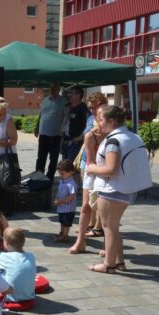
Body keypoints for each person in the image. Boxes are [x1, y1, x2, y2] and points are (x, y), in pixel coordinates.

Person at [86, 105, 152, 274]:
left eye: (101, 120)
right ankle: (119, 262)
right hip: (127, 189)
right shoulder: (133, 137)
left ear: (112, 121)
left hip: (112, 189)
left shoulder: (113, 141)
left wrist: (92, 168)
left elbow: (111, 169)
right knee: (113, 227)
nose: (98, 124)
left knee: (109, 227)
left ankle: (108, 265)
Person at [70, 98, 108, 254]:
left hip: (106, 173)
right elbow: (91, 160)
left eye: (101, 116)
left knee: (106, 210)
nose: (97, 117)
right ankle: (80, 242)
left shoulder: (113, 133)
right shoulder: (91, 135)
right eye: (96, 115)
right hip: (94, 169)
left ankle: (107, 244)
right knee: (85, 206)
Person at [0, 227, 36, 302]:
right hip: (29, 296)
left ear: (6, 243)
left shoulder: (4, 256)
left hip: (10, 298)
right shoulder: (31, 256)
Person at [35, 83, 68, 182]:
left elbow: (66, 117)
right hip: (43, 134)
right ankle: (38, 176)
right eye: (51, 89)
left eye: (55, 89)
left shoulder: (63, 101)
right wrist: (37, 128)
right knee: (41, 157)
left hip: (55, 135)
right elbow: (41, 115)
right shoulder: (45, 100)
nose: (52, 90)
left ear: (58, 89)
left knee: (53, 159)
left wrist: (63, 131)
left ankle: (49, 178)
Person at [62, 86, 89, 161]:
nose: (69, 95)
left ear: (78, 95)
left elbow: (89, 124)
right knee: (64, 166)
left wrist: (80, 137)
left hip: (75, 143)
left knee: (70, 167)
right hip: (66, 140)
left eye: (71, 93)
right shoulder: (71, 107)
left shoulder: (83, 108)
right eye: (69, 93)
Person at [54, 160, 78, 243]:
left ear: (71, 172)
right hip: (62, 208)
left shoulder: (71, 184)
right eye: (60, 174)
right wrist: (57, 198)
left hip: (68, 209)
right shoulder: (62, 181)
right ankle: (62, 233)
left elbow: (71, 197)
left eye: (62, 174)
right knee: (62, 221)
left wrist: (60, 201)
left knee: (66, 223)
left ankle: (65, 235)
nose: (61, 176)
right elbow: (59, 191)